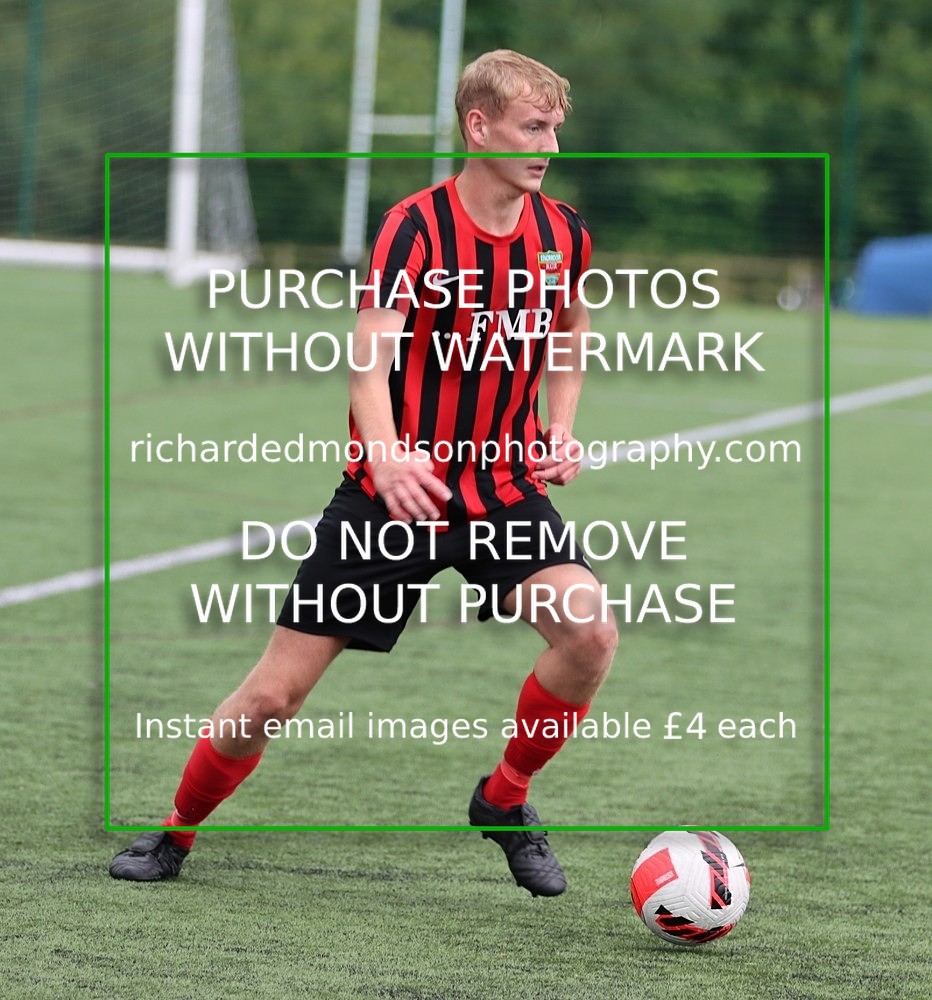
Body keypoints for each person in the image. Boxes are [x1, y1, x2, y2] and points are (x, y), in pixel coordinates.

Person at [110, 49, 617, 897]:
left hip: (500, 493)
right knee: (274, 697)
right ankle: (174, 833)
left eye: (556, 128)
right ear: (478, 126)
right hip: (392, 498)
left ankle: (504, 799)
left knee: (590, 635)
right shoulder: (415, 227)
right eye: (534, 128)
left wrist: (559, 429)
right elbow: (367, 364)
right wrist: (386, 456)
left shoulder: (564, 234)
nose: (549, 146)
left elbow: (569, 338)